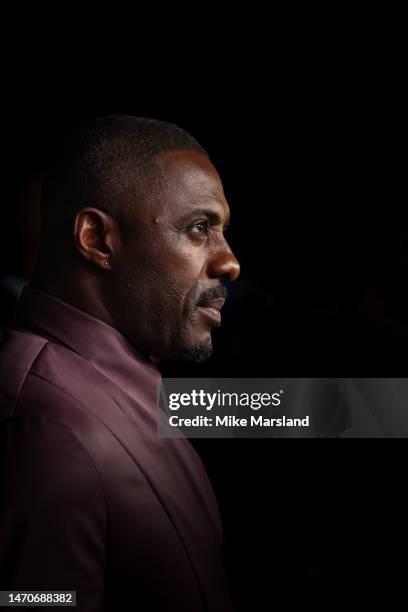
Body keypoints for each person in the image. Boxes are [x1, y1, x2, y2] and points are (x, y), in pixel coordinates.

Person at [0, 116, 240, 611]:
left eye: (222, 231)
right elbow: (37, 601)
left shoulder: (121, 373)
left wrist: (368, 412)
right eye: (199, 228)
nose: (229, 262)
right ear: (96, 239)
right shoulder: (51, 425)